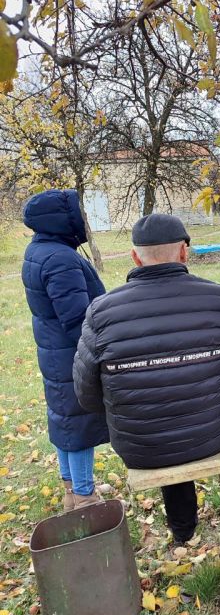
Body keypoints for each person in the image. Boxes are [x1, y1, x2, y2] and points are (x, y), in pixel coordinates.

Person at [73, 213, 220, 544]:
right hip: (211, 431)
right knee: (174, 425)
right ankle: (186, 528)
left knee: (163, 427)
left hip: (141, 444)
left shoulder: (101, 312)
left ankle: (183, 530)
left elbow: (86, 392)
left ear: (135, 257)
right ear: (184, 252)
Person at [22, 189, 109, 511]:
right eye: (79, 214)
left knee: (65, 420)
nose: (84, 221)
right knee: (78, 422)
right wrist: (98, 352)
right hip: (70, 354)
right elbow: (77, 318)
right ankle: (84, 496)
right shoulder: (60, 259)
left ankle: (72, 486)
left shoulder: (40, 250)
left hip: (54, 351)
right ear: (62, 219)